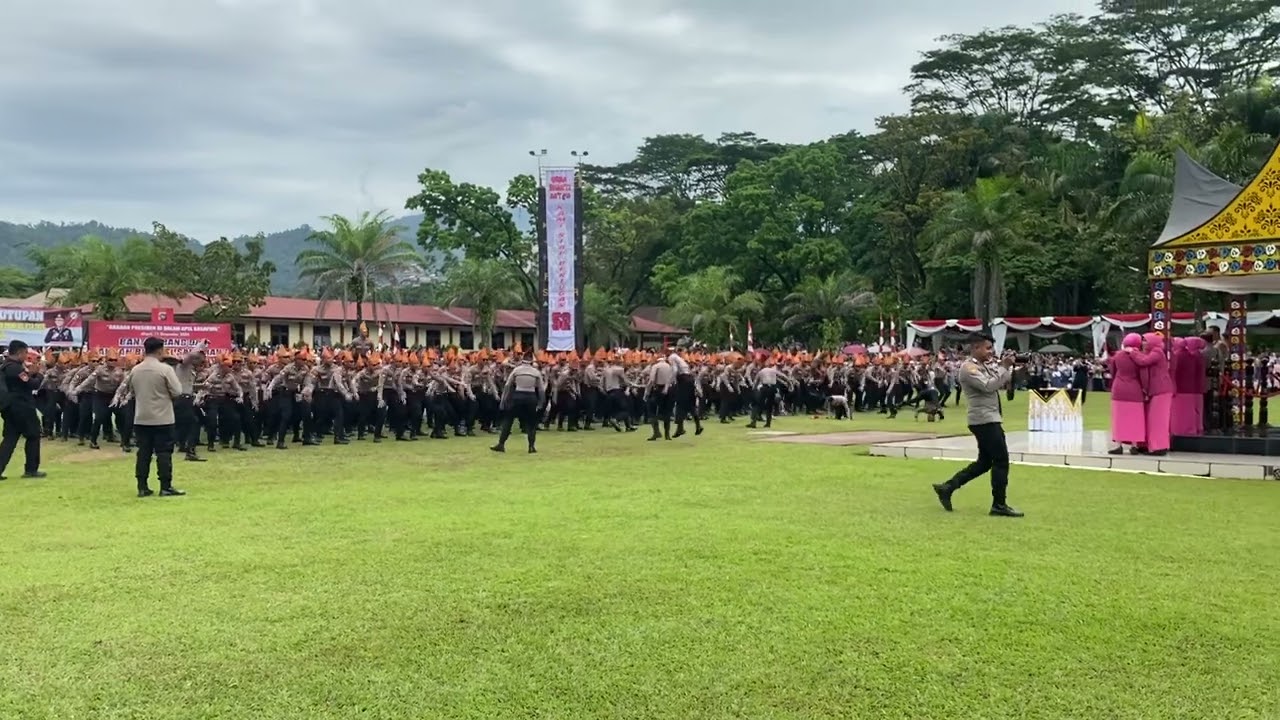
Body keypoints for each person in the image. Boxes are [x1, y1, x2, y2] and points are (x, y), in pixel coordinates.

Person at [931, 334, 1023, 517]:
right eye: (987, 348)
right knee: (1001, 460)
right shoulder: (969, 368)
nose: (991, 352)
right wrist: (1004, 367)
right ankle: (999, 504)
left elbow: (999, 379)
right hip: (984, 420)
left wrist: (1008, 368)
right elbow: (989, 386)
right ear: (975, 348)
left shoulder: (983, 366)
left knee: (984, 462)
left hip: (988, 418)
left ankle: (947, 487)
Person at [125, 337, 185, 497]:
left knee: (143, 453)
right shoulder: (165, 369)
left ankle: (142, 486)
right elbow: (177, 391)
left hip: (141, 417)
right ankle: (165, 486)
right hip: (163, 418)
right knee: (164, 453)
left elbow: (131, 390)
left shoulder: (135, 370)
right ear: (160, 350)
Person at [0, 340, 46, 480]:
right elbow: (33, 385)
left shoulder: (4, 367)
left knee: (10, 439)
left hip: (8, 407)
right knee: (33, 435)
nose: (26, 356)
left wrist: (30, 374)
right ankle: (31, 469)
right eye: (26, 353)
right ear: (19, 352)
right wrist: (39, 374)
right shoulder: (16, 369)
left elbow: (22, 383)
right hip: (22, 407)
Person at [490, 350, 544, 454]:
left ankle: (501, 444)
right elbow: (541, 390)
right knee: (531, 423)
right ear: (532, 361)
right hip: (530, 397)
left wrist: (503, 400)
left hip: (518, 396)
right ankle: (531, 446)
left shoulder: (516, 370)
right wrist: (541, 402)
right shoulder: (536, 372)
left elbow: (507, 386)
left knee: (508, 420)